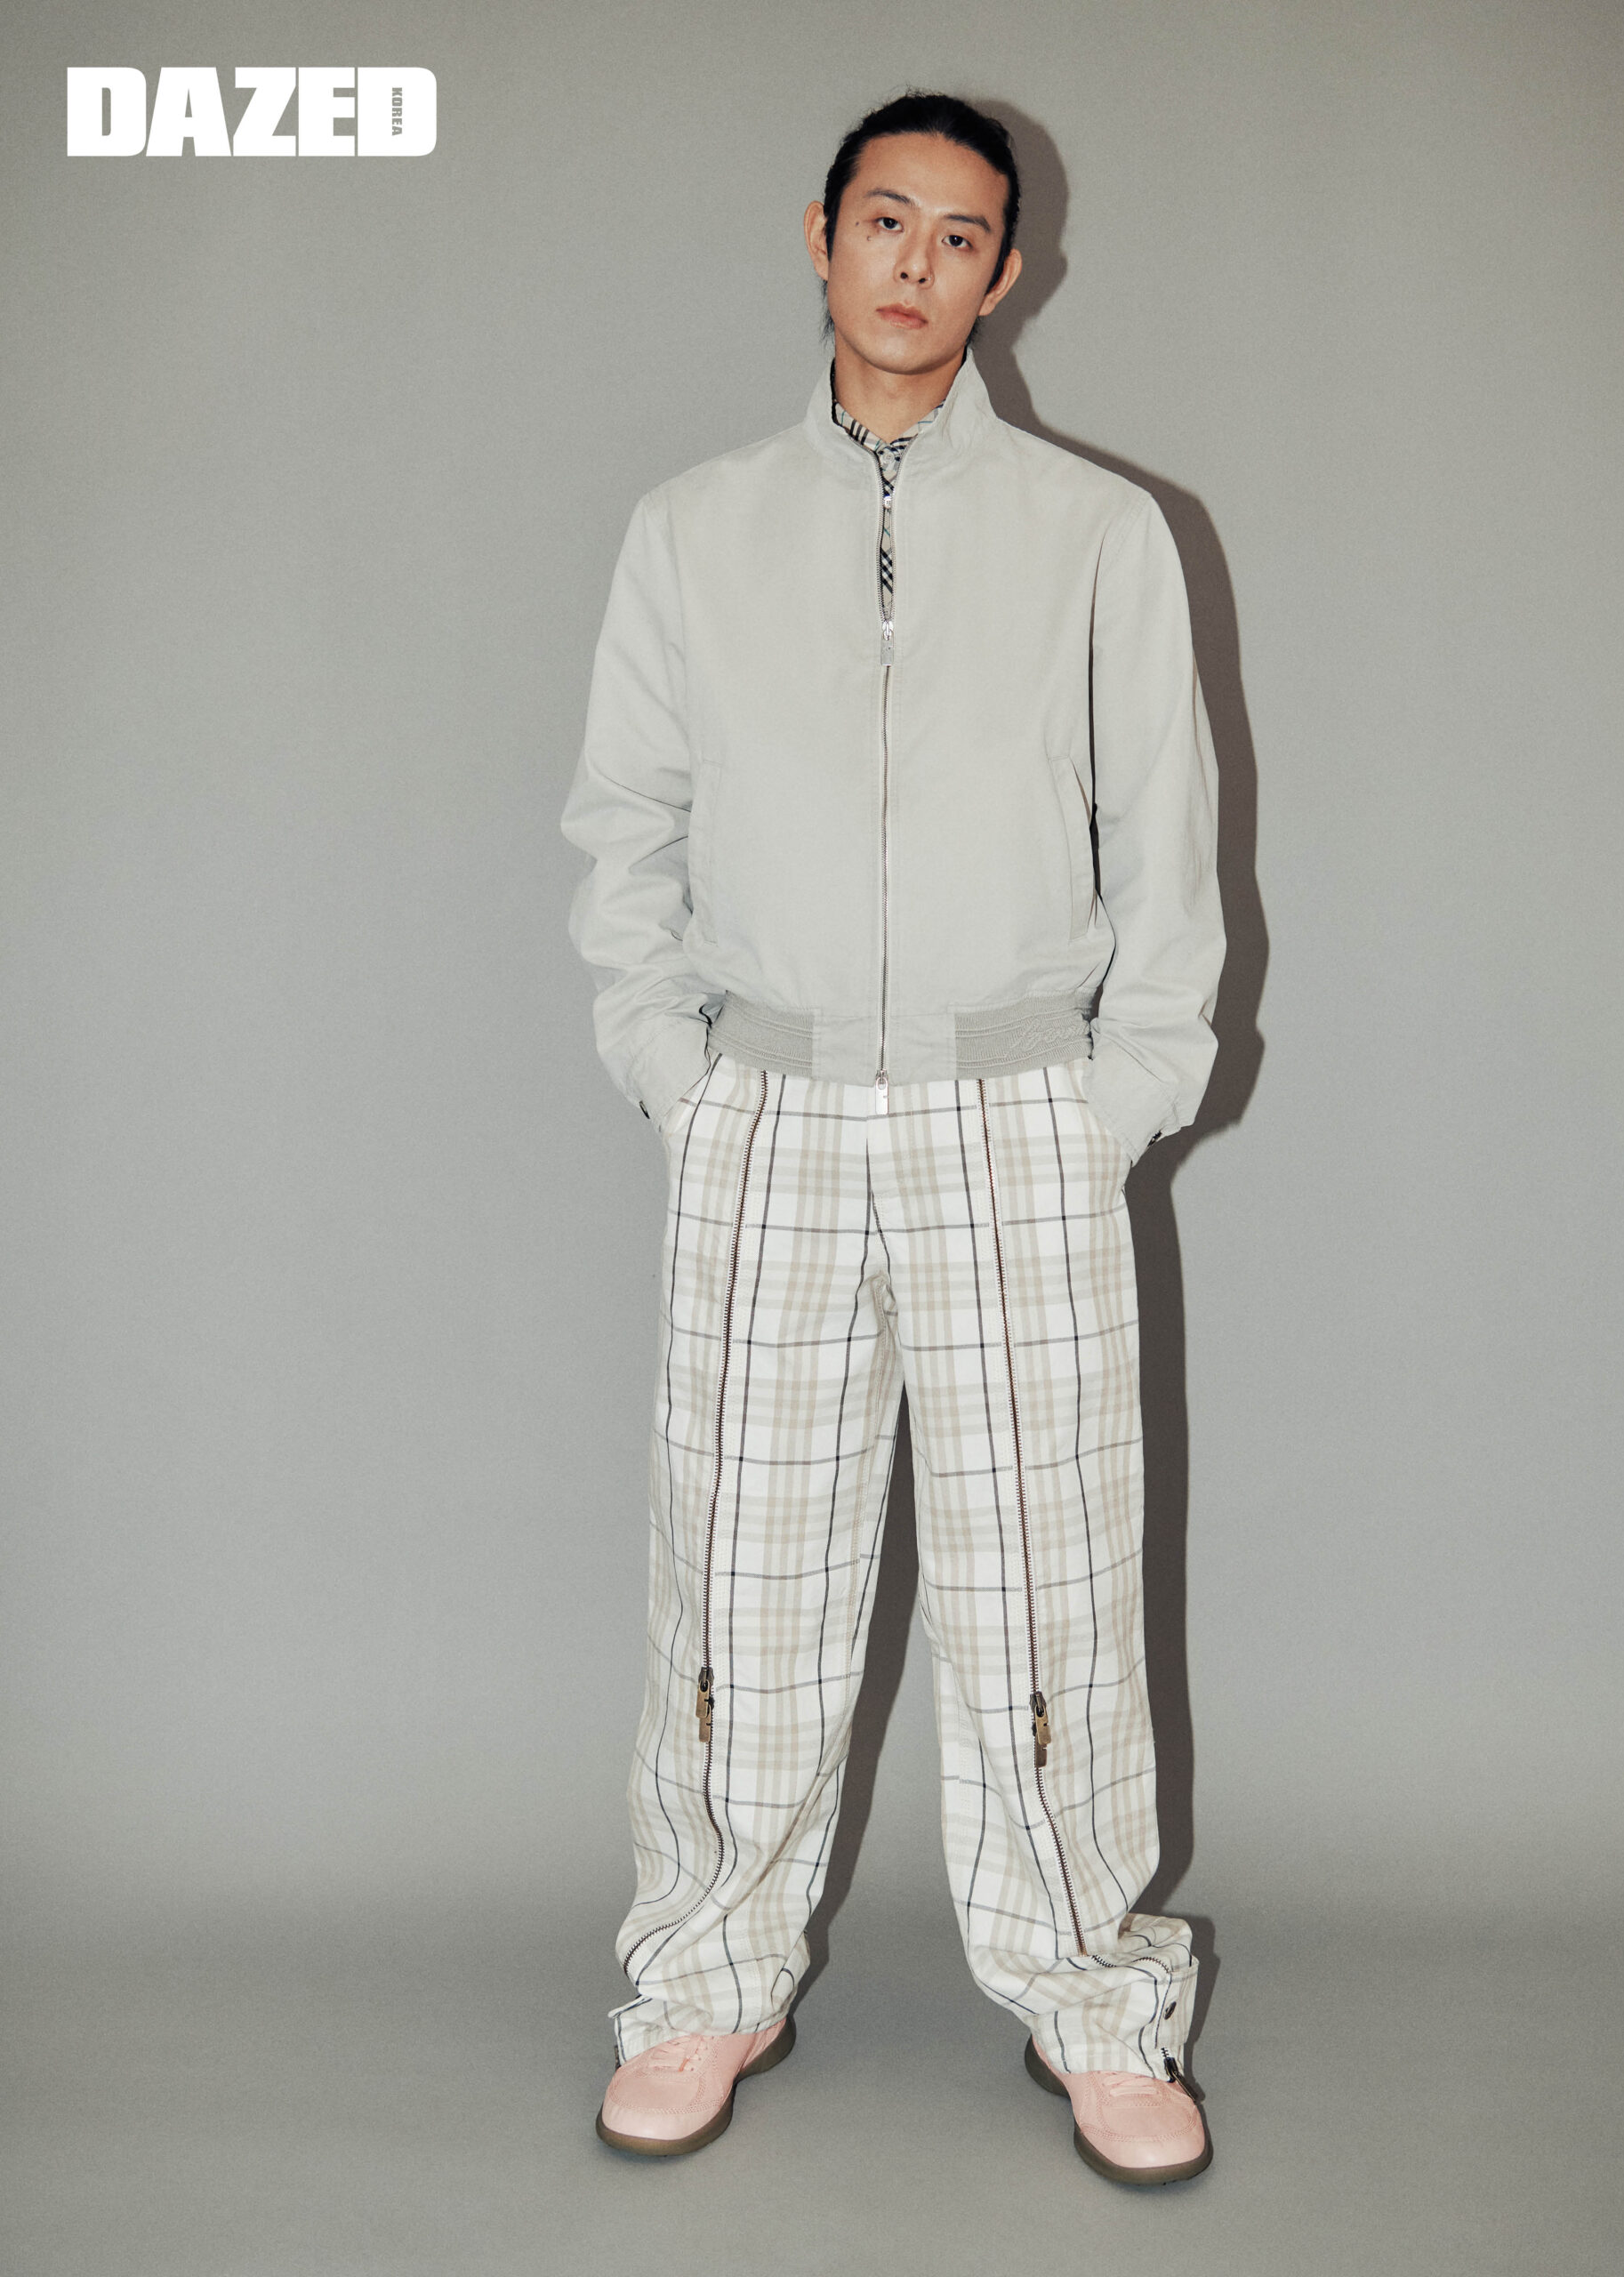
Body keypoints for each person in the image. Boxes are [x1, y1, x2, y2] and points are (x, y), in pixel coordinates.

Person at [559, 91, 1224, 2186]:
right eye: (885, 220)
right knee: (739, 1579)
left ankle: (1091, 1994)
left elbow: (1170, 842)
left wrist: (1117, 1093)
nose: (916, 262)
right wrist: (676, 1068)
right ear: (822, 236)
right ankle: (706, 1974)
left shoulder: (1099, 532)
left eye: (959, 235)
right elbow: (624, 826)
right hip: (764, 1110)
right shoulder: (692, 527)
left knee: (1049, 1579)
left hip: (1013, 1110)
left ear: (1006, 274)